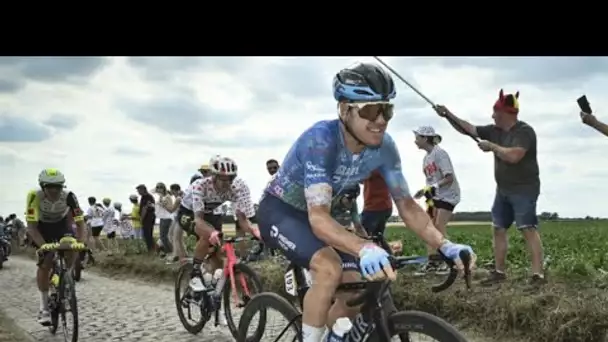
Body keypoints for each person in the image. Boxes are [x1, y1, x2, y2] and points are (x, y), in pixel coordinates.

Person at [257, 62, 476, 342]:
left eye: (387, 110)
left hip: (326, 216)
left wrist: (444, 244)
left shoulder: (385, 148)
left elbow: (407, 206)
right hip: (282, 211)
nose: (381, 120)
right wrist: (364, 247)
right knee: (329, 268)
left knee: (355, 292)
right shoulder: (321, 140)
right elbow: (319, 218)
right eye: (370, 110)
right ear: (344, 109)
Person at [435, 89, 544, 286]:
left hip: (524, 189)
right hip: (503, 189)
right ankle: (499, 273)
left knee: (527, 228)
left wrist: (492, 147)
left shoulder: (524, 132)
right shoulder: (494, 131)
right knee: (498, 229)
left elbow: (514, 156)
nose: (493, 115)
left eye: (496, 112)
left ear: (507, 113)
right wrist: (448, 115)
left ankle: (538, 275)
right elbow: (468, 129)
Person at [177, 156, 260, 294]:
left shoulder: (233, 190)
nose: (225, 183)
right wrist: (212, 232)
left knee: (225, 241)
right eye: (221, 179)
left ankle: (215, 277)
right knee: (206, 235)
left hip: (210, 213)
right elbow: (198, 219)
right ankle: (195, 273)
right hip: (189, 213)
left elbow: (243, 220)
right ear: (213, 176)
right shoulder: (200, 185)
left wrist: (255, 231)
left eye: (229, 179)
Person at [25, 169, 86, 325]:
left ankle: (66, 277)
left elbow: (80, 223)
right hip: (41, 227)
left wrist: (81, 243)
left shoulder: (69, 196)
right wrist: (44, 246)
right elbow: (31, 227)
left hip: (61, 225)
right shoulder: (34, 196)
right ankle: (44, 308)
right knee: (45, 262)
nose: (54, 190)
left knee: (72, 248)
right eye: (49, 187)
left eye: (58, 187)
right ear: (42, 187)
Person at [412, 126, 461, 275]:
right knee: (429, 228)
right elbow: (431, 181)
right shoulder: (426, 158)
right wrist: (424, 191)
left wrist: (433, 186)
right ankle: (433, 261)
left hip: (448, 195)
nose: (415, 141)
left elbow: (449, 177)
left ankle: (450, 261)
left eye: (418, 137)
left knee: (439, 227)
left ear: (425, 138)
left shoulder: (440, 154)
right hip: (435, 196)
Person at [360, 170, 393, 238]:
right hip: (385, 206)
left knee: (362, 235)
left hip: (374, 207)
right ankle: (383, 247)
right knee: (378, 237)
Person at [154, 182, 174, 258]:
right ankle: (168, 252)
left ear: (164, 188)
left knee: (164, 237)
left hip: (167, 218)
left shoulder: (167, 196)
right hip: (163, 218)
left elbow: (171, 209)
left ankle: (171, 253)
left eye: (160, 187)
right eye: (157, 187)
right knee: (163, 237)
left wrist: (162, 204)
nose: (159, 189)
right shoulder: (161, 197)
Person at [137, 184, 156, 254]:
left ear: (143, 190)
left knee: (148, 235)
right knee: (148, 235)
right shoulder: (143, 197)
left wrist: (141, 219)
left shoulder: (148, 197)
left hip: (148, 218)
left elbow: (145, 209)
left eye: (139, 190)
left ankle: (151, 250)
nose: (138, 192)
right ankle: (152, 250)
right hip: (148, 218)